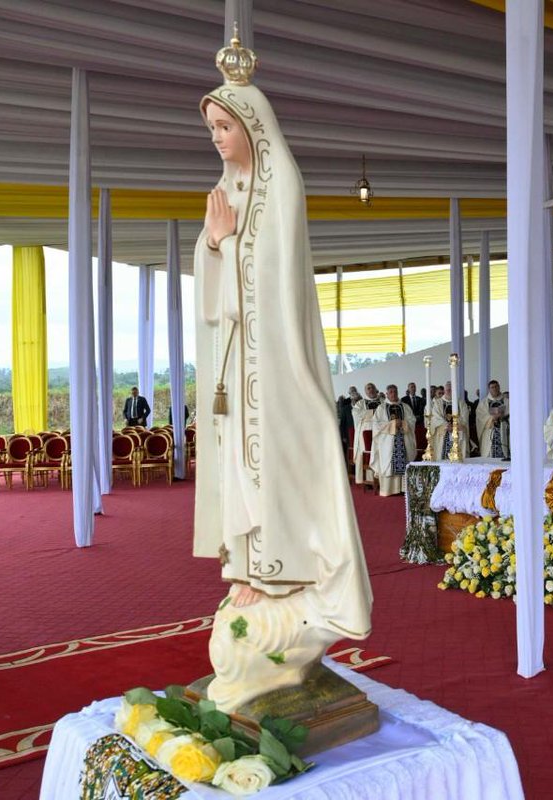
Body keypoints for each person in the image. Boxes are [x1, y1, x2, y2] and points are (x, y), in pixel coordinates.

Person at [191, 38, 371, 712]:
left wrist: (230, 242)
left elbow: (274, 276)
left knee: (282, 464)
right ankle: (252, 570)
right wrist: (214, 243)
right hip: (242, 360)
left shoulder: (279, 182)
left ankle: (282, 575)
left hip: (275, 355)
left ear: (253, 125)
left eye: (224, 126)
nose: (216, 138)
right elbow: (219, 282)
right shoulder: (226, 189)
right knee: (243, 462)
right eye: (210, 128)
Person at [372, 384, 416, 496]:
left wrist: (403, 423)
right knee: (388, 462)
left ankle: (403, 488)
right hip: (388, 442)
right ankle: (388, 489)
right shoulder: (381, 408)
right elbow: (376, 425)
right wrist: (392, 424)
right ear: (386, 394)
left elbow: (412, 420)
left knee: (405, 460)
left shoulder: (405, 407)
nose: (393, 394)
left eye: (395, 391)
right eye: (390, 392)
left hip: (403, 440)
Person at [429, 381, 469, 459]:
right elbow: (436, 417)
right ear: (444, 390)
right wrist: (447, 425)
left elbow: (464, 416)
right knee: (443, 456)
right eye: (447, 390)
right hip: (444, 433)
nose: (449, 391)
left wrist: (454, 426)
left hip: (458, 432)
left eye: (451, 390)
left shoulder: (460, 402)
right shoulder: (438, 402)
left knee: (458, 458)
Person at [351, 383, 382, 484]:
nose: (371, 390)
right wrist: (373, 413)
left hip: (381, 432)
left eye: (373, 388)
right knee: (368, 454)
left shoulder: (382, 401)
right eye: (368, 388)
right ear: (365, 391)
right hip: (366, 433)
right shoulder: (360, 403)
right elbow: (357, 414)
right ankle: (369, 480)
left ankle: (382, 479)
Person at [475, 379, 510, 459]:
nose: (495, 389)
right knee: (490, 457)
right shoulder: (483, 403)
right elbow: (480, 417)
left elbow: (512, 414)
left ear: (499, 387)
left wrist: (503, 416)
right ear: (489, 389)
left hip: (504, 431)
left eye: (496, 386)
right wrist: (492, 418)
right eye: (492, 387)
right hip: (490, 432)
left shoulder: (507, 401)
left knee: (505, 453)